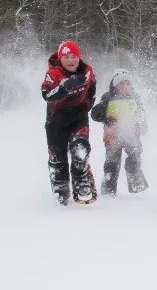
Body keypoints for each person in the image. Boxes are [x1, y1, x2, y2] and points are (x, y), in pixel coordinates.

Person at [41, 40, 97, 205]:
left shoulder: (87, 71)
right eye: (66, 57)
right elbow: (46, 95)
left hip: (78, 119)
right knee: (58, 159)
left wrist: (88, 105)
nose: (71, 60)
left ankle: (81, 177)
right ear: (60, 58)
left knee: (80, 149)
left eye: (74, 56)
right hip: (55, 123)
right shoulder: (54, 74)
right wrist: (64, 87)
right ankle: (60, 188)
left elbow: (92, 88)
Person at [91, 69, 148, 196]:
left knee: (136, 153)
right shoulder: (107, 97)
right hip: (113, 135)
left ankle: (133, 174)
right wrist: (105, 117)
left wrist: (143, 124)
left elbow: (141, 113)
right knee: (112, 163)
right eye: (121, 83)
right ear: (115, 84)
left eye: (127, 83)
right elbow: (95, 114)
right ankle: (108, 189)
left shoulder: (135, 97)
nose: (124, 86)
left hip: (131, 134)